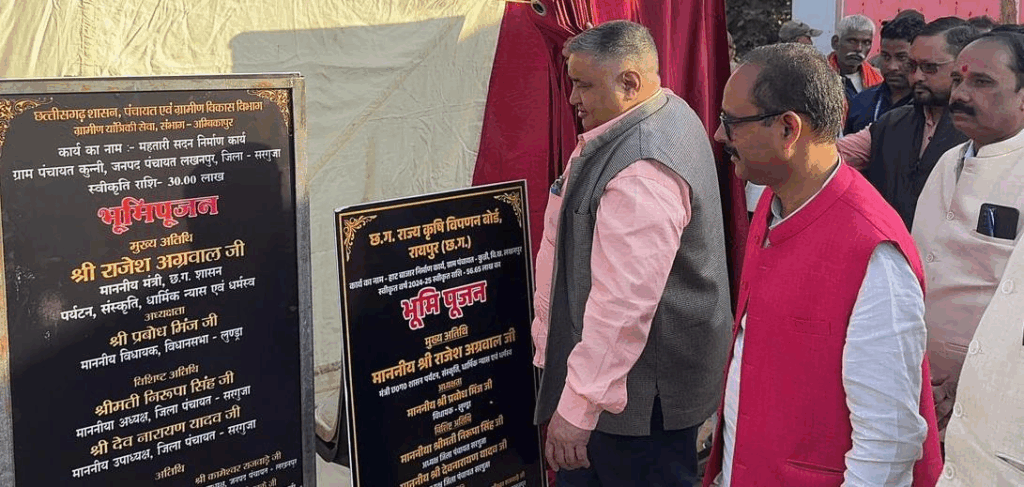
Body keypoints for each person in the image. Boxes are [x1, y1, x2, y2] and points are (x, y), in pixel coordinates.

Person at [702, 42, 942, 486]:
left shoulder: (872, 250)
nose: (718, 135)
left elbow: (888, 443)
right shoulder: (776, 201)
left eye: (730, 122)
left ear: (788, 129)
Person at [532, 20, 732, 486]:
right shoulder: (666, 108)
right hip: (642, 393)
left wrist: (578, 409)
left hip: (634, 406)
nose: (573, 98)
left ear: (629, 82)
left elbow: (621, 308)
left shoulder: (641, 169)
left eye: (584, 85)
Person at [912, 33, 1024, 484]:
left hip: (995, 405)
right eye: (959, 80)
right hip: (920, 395)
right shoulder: (948, 161)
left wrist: (968, 383)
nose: (960, 94)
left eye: (982, 82)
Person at [838, 19, 975, 229]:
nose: (917, 76)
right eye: (912, 66)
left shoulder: (982, 130)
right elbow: (833, 157)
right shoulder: (891, 122)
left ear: (962, 68)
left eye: (930, 68)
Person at [845, 15, 925, 134]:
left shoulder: (929, 106)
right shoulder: (861, 102)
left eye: (901, 57)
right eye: (886, 56)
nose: (892, 67)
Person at [830, 15, 884, 102]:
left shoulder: (879, 79)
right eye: (852, 41)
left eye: (866, 43)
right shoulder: (817, 77)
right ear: (835, 42)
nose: (859, 48)